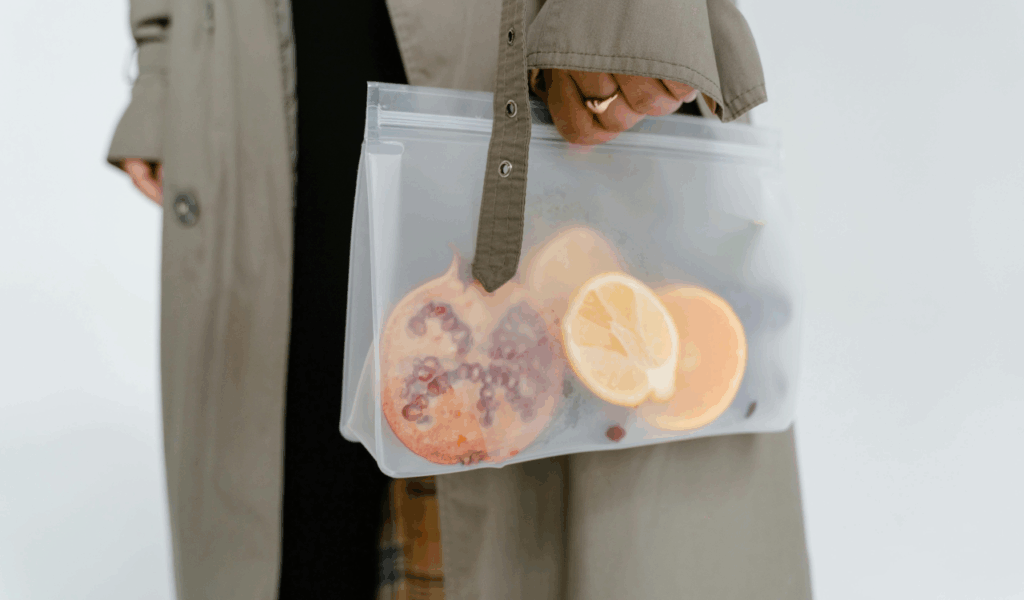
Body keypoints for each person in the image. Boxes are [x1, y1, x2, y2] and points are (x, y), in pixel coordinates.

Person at [109, 0, 813, 598]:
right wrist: (165, 55)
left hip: (536, 40)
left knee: (575, 483)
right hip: (263, 62)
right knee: (303, 510)